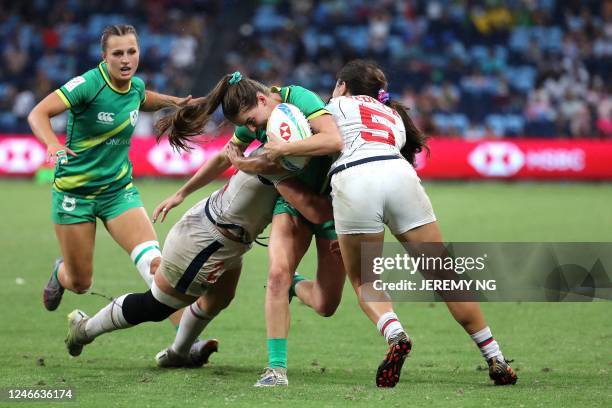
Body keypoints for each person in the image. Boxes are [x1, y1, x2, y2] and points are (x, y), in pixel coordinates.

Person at [264, 59, 518, 387]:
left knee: (365, 280)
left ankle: (396, 334)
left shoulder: (330, 107)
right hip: (399, 175)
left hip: (354, 179)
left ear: (342, 85)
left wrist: (279, 151)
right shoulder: (394, 115)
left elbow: (316, 145)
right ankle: (495, 356)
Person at [154, 71, 346, 387]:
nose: (253, 129)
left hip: (328, 203)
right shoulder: (254, 121)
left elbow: (333, 139)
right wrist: (182, 193)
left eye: (253, 121)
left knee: (326, 305)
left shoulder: (298, 98)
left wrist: (281, 150)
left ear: (261, 99)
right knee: (276, 276)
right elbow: (222, 159)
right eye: (249, 125)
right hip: (291, 198)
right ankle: (276, 370)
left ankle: (295, 285)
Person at [63, 149, 334, 366]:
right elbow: (314, 211)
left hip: (232, 240)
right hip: (211, 239)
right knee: (157, 306)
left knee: (220, 297)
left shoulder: (286, 143)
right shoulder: (279, 160)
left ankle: (178, 353)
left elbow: (225, 155)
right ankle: (84, 330)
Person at [27, 24, 200, 324]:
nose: (126, 59)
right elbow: (37, 113)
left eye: (131, 52)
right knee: (81, 282)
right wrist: (53, 144)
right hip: (75, 194)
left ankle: (186, 345)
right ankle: (60, 272)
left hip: (118, 192)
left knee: (156, 265)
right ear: (104, 57)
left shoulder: (134, 86)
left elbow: (143, 99)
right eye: (117, 53)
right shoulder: (88, 84)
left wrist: (175, 102)